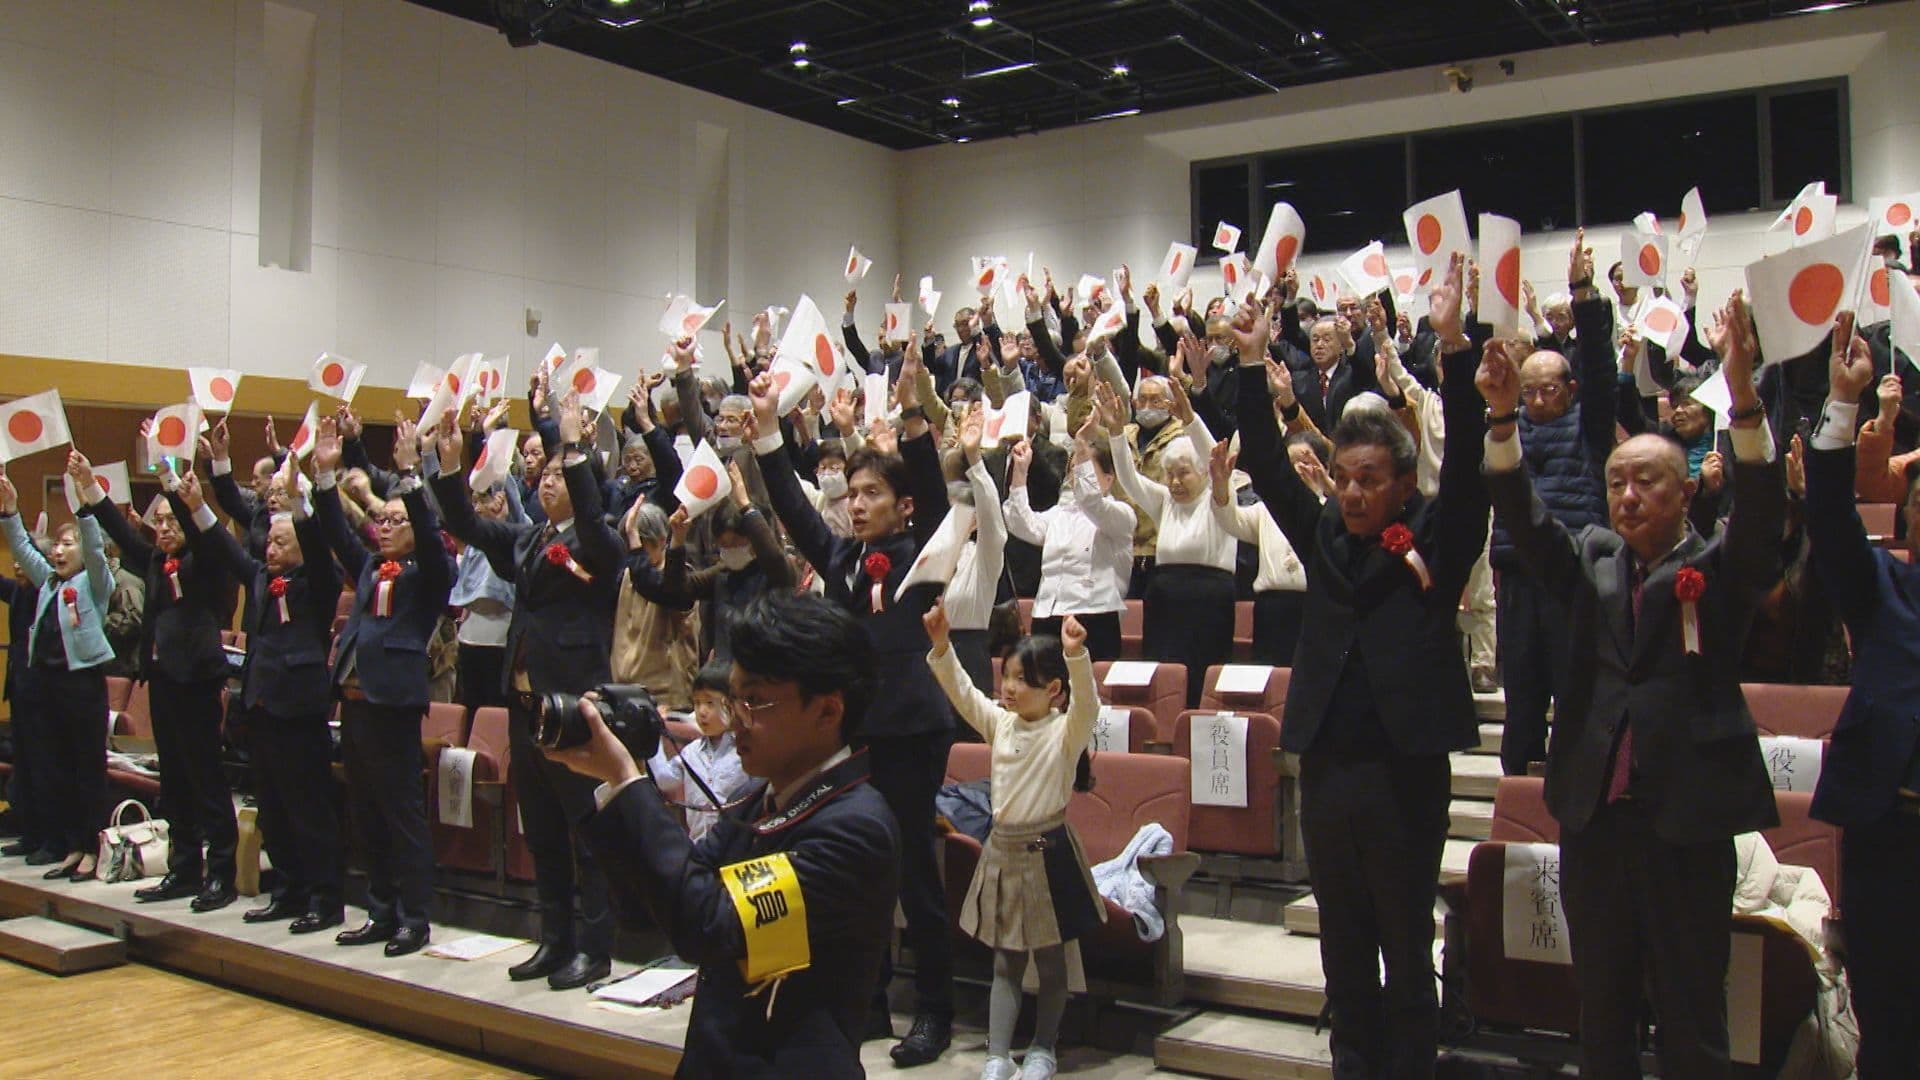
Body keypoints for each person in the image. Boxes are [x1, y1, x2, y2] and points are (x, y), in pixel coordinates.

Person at [1480, 290, 1782, 1078]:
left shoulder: (1719, 566)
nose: (1627, 497)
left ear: (1685, 493)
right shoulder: (1590, 561)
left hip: (1685, 826)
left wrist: (1744, 399)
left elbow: (1757, 523)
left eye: (1647, 483)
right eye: (1617, 484)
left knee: (1691, 1019)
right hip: (1596, 825)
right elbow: (1524, 518)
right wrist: (1504, 423)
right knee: (1602, 1015)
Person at [1234, 254, 1489, 1077]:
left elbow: (1474, 481)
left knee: (1406, 949)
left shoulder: (1436, 543)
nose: (1349, 492)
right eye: (1342, 478)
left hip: (1406, 772)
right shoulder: (1325, 538)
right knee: (1343, 947)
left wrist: (1454, 347)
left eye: (1368, 481)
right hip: (1331, 770)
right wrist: (1246, 365)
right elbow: (1271, 470)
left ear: (1403, 486)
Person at [553, 591, 900, 1078]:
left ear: (827, 711)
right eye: (733, 698)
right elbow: (651, 908)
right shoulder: (764, 799)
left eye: (755, 700)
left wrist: (630, 784)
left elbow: (709, 926)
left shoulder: (853, 827)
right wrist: (611, 780)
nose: (736, 720)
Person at [749, 356, 958, 1065]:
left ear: (900, 507)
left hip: (910, 730)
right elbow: (791, 504)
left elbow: (932, 490)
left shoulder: (925, 548)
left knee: (912, 877)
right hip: (846, 738)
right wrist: (772, 428)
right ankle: (863, 1002)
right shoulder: (840, 558)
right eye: (855, 493)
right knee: (845, 872)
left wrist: (913, 418)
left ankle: (933, 1009)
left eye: (874, 493)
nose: (858, 503)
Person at [431, 391, 626, 991]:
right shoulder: (526, 539)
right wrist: (448, 467)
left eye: (558, 477)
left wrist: (573, 450)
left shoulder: (601, 540)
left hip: (574, 705)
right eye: (540, 476)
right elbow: (464, 522)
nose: (545, 483)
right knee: (540, 831)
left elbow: (592, 526)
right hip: (524, 704)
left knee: (587, 835)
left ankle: (594, 951)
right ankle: (553, 940)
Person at [1804, 312, 1920, 1078]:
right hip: (1891, 836)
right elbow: (1828, 520)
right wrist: (1843, 406)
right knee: (1890, 1026)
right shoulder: (1884, 590)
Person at [924, 604, 1101, 1080]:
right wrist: (942, 645)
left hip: (1050, 854)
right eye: (1007, 676)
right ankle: (997, 1056)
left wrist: (1076, 654)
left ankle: (1044, 1047)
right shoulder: (1000, 724)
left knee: (1050, 962)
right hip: (1003, 853)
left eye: (1022, 680)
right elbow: (963, 693)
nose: (1009, 687)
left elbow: (1089, 705)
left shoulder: (1066, 731)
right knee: (1005, 963)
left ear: (1054, 691)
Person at [174, 457, 346, 934]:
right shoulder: (259, 577)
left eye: (279, 540)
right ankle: (287, 890)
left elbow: (314, 544)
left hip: (299, 708)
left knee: (308, 809)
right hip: (262, 706)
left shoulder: (319, 581)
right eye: (268, 539)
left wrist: (299, 505)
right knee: (272, 807)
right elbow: (228, 549)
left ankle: (324, 897)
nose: (269, 546)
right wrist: (196, 507)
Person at [312, 416, 456, 957]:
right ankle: (380, 909)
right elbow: (336, 531)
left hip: (392, 705)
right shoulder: (372, 566)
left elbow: (431, 537)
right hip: (353, 704)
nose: (388, 527)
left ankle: (414, 918)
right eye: (384, 519)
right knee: (365, 813)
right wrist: (325, 478)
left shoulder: (430, 574)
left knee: (401, 815)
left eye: (399, 520)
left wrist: (410, 477)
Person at [76, 447, 241, 912]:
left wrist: (174, 486)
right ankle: (183, 867)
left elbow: (197, 532)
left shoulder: (206, 560)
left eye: (172, 521)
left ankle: (221, 876)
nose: (165, 528)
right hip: (163, 681)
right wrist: (90, 487)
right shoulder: (152, 560)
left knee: (206, 780)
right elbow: (120, 532)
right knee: (175, 782)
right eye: (160, 522)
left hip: (197, 682)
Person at [1489, 230, 1618, 776]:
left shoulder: (1588, 426)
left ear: (1569, 390)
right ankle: (1515, 792)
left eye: (1549, 390)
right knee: (1521, 700)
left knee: (1573, 695)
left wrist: (1583, 293)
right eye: (1530, 390)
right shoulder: (1505, 426)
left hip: (1573, 578)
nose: (1537, 399)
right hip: (1517, 579)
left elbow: (1601, 366)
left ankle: (1572, 795)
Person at [0, 464, 115, 882]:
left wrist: (85, 511)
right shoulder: (48, 583)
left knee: (87, 769)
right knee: (60, 767)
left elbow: (96, 550)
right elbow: (26, 551)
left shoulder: (94, 583)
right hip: (48, 685)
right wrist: (10, 512)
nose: (59, 551)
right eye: (58, 545)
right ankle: (71, 843)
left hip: (81, 685)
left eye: (68, 545)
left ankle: (91, 845)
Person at [1101, 377, 1236, 709]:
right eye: (1170, 473)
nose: (1174, 481)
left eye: (1183, 473)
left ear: (1203, 473)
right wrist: (1117, 433)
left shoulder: (1220, 496)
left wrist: (1190, 419)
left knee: (1201, 681)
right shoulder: (1164, 501)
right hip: (1165, 598)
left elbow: (1210, 455)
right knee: (1163, 680)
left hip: (1209, 599)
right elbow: (1129, 480)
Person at [1002, 417, 1135, 661]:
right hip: (1047, 614)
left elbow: (1091, 501)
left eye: (1085, 468)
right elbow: (1021, 524)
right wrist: (1020, 472)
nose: (1076, 475)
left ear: (1109, 479)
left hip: (1094, 617)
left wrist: (1082, 447)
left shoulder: (1120, 516)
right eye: (1073, 468)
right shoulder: (1059, 514)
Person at [645, 660, 750, 842]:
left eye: (710, 703)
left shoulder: (747, 750)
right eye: (697, 703)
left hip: (738, 847)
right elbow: (664, 781)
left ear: (732, 704)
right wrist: (653, 733)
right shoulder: (690, 752)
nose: (701, 712)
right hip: (699, 847)